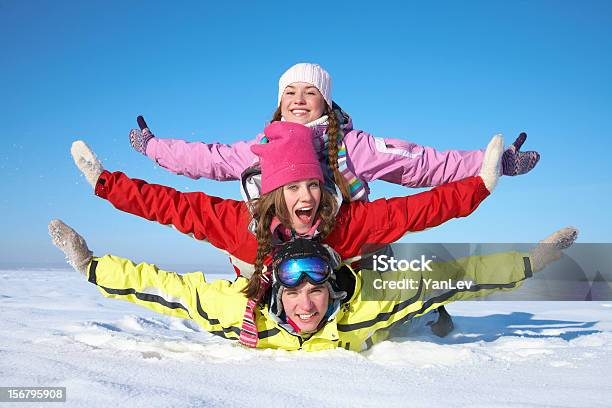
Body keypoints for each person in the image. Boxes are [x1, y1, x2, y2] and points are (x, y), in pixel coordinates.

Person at [72, 121, 502, 343]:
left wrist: (478, 186)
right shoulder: (244, 225)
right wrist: (106, 184)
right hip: (272, 309)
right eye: (294, 186)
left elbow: (417, 210)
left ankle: (425, 314)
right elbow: (174, 207)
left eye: (313, 184)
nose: (307, 195)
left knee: (384, 289)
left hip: (336, 308)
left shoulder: (343, 222)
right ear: (276, 193)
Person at [48, 221, 578, 351]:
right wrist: (92, 265)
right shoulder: (238, 311)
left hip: (387, 314)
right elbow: (163, 287)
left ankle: (428, 321)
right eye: (294, 292)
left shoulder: (365, 303)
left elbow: (456, 277)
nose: (305, 304)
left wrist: (531, 262)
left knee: (419, 301)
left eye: (316, 291)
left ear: (332, 290)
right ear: (276, 292)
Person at [128, 63, 540, 204]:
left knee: (388, 265)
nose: (299, 99)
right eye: (290, 92)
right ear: (279, 101)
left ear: (326, 102)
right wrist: (153, 147)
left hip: (348, 243)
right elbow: (207, 158)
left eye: (311, 92)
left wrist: (495, 163)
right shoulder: (262, 147)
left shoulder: (353, 145)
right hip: (277, 247)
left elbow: (422, 163)